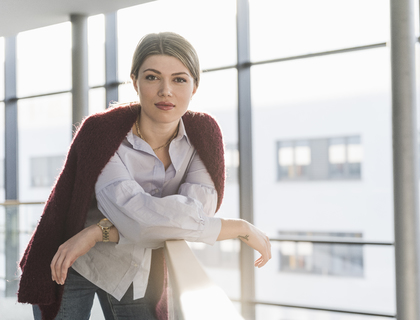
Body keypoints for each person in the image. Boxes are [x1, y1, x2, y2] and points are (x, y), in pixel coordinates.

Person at [18, 32, 271, 320]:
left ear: (195, 85)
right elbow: (137, 218)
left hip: (134, 265)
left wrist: (97, 232)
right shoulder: (101, 132)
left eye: (179, 79)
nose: (166, 91)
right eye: (152, 77)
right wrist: (237, 227)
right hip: (72, 258)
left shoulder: (203, 134)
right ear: (134, 81)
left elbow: (196, 212)